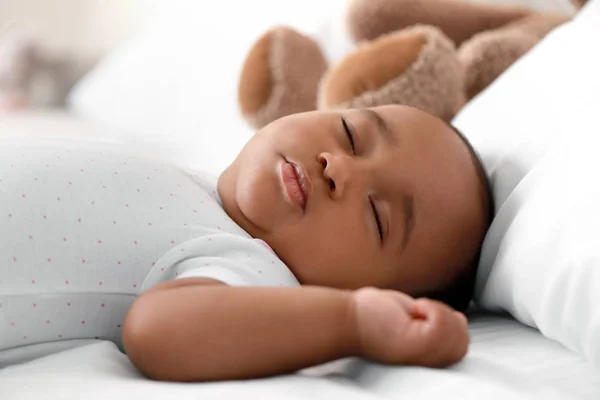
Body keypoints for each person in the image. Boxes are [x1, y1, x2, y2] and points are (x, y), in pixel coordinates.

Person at [0, 105, 493, 381]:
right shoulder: (198, 182)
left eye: (376, 215)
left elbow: (159, 332)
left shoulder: (251, 268)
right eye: (351, 133)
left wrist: (353, 321)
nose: (338, 167)